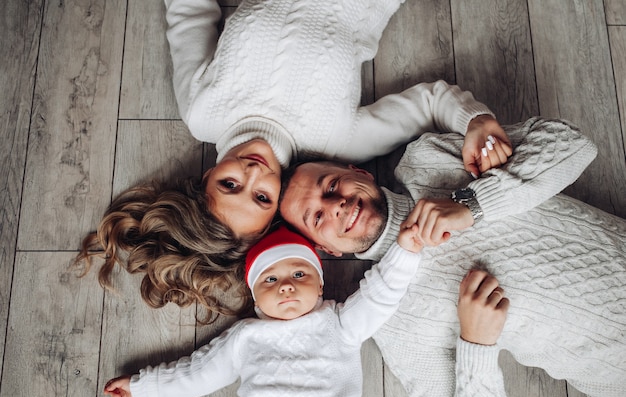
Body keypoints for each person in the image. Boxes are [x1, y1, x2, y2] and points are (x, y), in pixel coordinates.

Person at [76, 0, 511, 322]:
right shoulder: (337, 145)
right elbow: (428, 104)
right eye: (262, 196)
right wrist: (475, 119)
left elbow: (189, 13)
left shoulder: (202, 112)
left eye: (229, 185)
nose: (252, 171)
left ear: (205, 177)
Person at [279, 116, 626, 397]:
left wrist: (474, 203)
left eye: (331, 185)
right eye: (318, 216)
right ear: (325, 249)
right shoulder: (391, 321)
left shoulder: (428, 159)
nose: (336, 205)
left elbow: (574, 143)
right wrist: (477, 343)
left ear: (359, 172)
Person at [100, 225, 510, 397]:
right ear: (255, 295)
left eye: (300, 274)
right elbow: (198, 374)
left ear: (320, 284)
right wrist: (144, 387)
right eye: (272, 280)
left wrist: (405, 251)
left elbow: (379, 295)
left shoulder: (339, 322)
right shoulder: (246, 336)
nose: (286, 287)